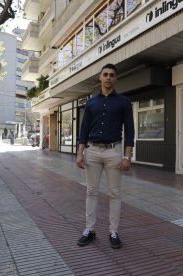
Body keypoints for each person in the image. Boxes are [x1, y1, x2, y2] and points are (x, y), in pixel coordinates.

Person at [76, 63, 135, 249]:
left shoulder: (124, 102)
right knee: (91, 191)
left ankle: (113, 231)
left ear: (115, 79)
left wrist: (127, 156)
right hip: (92, 151)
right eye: (105, 74)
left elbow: (130, 130)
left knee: (115, 193)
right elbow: (84, 129)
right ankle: (89, 230)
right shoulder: (91, 102)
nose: (108, 77)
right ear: (100, 78)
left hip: (113, 151)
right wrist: (80, 153)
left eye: (111, 75)